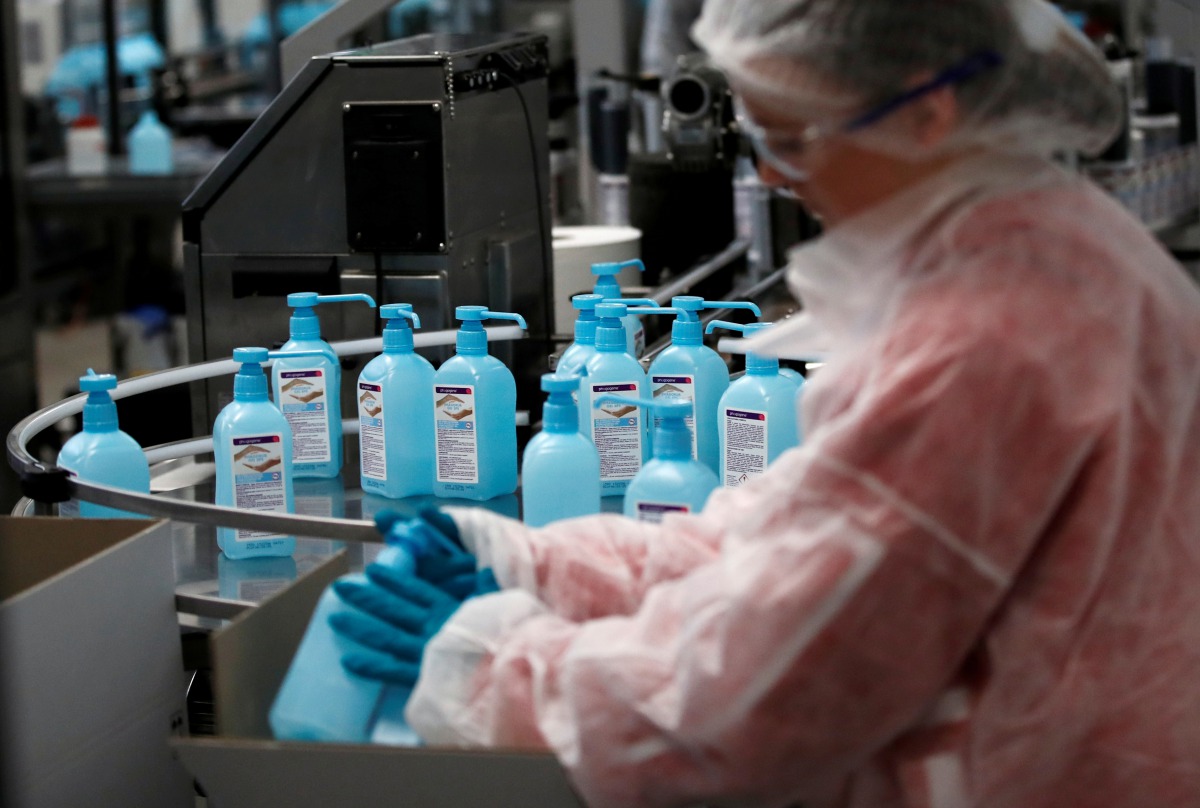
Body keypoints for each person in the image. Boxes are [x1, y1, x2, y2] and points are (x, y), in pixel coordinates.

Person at [331, 1, 1200, 805]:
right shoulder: (1050, 243)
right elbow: (791, 540)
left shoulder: (982, 339)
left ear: (929, 112)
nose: (777, 177)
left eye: (794, 136)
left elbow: (750, 710)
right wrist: (533, 564)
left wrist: (496, 670)